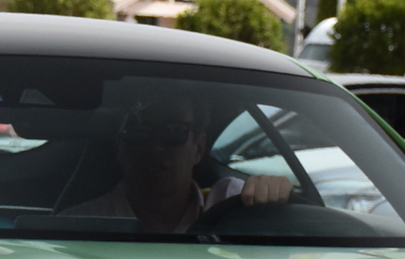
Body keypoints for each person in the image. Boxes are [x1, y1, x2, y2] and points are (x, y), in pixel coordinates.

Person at [62, 94, 291, 231]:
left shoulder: (235, 205)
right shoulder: (75, 226)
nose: (155, 147)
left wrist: (274, 198)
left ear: (199, 148)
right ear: (120, 147)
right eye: (139, 131)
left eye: (173, 132)